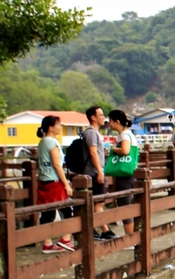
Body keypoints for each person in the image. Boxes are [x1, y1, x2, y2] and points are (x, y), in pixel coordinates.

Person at [36, 115, 76, 253]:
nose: (60, 127)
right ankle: (65, 239)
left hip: (44, 180)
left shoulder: (42, 142)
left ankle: (47, 243)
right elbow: (57, 165)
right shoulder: (51, 142)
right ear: (50, 128)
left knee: (48, 213)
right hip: (54, 181)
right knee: (68, 210)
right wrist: (66, 184)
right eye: (58, 125)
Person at [82, 105, 116, 241]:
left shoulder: (95, 132)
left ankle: (94, 228)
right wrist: (99, 171)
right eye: (101, 115)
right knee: (99, 202)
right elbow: (93, 152)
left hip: (95, 171)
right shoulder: (91, 132)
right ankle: (104, 230)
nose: (103, 118)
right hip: (93, 172)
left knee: (97, 202)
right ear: (93, 117)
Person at [106, 109, 137, 238]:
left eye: (110, 121)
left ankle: (130, 238)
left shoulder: (124, 135)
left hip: (124, 175)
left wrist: (113, 149)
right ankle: (133, 237)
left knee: (125, 206)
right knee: (129, 205)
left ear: (117, 121)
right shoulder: (129, 134)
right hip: (130, 173)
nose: (109, 124)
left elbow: (125, 150)